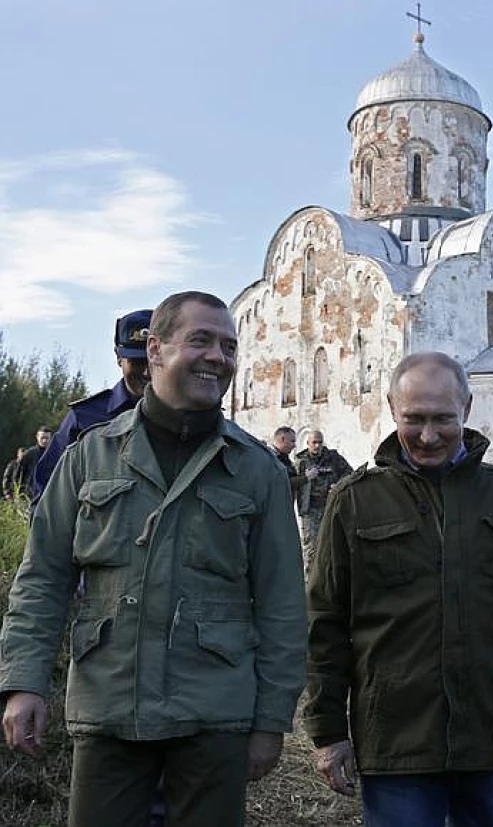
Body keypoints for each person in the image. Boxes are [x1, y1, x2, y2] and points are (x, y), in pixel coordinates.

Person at [0, 290, 307, 827]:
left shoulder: (258, 470)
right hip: (110, 707)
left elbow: (283, 604)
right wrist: (24, 682)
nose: (219, 356)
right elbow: (43, 579)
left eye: (229, 346)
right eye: (201, 340)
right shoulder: (90, 456)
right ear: (157, 350)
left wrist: (270, 720)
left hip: (214, 714)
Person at [303, 352, 493, 827]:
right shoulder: (355, 501)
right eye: (414, 419)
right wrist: (328, 732)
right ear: (392, 409)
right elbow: (325, 621)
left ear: (467, 409)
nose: (429, 436)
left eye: (443, 419)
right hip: (396, 743)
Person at [33, 309, 153, 503]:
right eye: (137, 361)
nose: (147, 371)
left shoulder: (189, 418)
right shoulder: (85, 418)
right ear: (118, 357)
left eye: (154, 360)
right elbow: (46, 495)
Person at [295, 430, 352, 576]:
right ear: (307, 444)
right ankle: (310, 582)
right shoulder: (301, 461)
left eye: (320, 442)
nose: (317, 445)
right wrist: (305, 477)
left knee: (332, 544)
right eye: (314, 442)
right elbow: (291, 483)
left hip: (331, 507)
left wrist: (339, 484)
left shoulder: (333, 458)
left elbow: (349, 473)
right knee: (312, 548)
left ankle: (329, 581)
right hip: (310, 510)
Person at [13, 426, 52, 498]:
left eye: (47, 438)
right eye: (42, 438)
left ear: (51, 438)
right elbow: (17, 475)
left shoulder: (55, 454)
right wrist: (20, 493)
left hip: (48, 493)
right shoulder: (29, 454)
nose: (44, 441)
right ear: (37, 437)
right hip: (30, 494)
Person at [270, 426, 301, 493]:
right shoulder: (270, 458)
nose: (294, 445)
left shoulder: (284, 458)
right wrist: (306, 477)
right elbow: (282, 484)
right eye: (292, 441)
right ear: (283, 439)